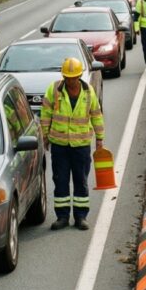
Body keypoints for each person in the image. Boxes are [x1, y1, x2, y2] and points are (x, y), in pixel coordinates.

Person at [40, 58, 105, 231]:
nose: (70, 81)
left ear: (79, 76)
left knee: (80, 180)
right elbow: (45, 113)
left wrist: (99, 138)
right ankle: (62, 217)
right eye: (67, 78)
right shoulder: (54, 90)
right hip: (60, 145)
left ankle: (80, 216)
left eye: (73, 77)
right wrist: (45, 136)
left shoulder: (88, 92)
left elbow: (96, 115)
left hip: (81, 146)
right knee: (60, 180)